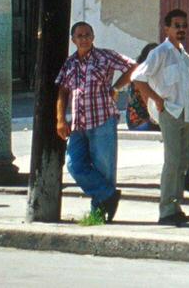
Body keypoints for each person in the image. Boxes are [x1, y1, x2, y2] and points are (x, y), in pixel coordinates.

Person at [54, 21, 138, 222]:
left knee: (104, 168)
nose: (84, 39)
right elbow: (63, 91)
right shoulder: (70, 63)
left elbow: (134, 67)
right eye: (79, 36)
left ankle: (98, 213)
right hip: (78, 123)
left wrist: (116, 88)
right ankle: (108, 195)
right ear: (73, 40)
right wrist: (60, 119)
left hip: (102, 120)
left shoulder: (105, 56)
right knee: (74, 164)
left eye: (87, 35)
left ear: (93, 37)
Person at [131, 9, 189, 225]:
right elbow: (138, 78)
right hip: (170, 113)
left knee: (182, 163)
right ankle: (166, 211)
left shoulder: (184, 55)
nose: (181, 30)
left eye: (183, 26)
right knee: (172, 162)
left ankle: (176, 207)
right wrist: (157, 100)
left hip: (186, 113)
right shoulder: (160, 52)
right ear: (167, 28)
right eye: (176, 26)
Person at [125, 43, 158, 131]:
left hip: (149, 120)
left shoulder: (153, 73)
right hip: (139, 123)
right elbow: (149, 104)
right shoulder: (141, 76)